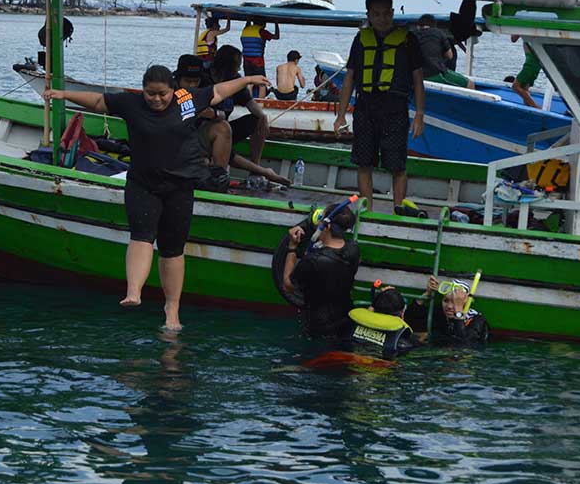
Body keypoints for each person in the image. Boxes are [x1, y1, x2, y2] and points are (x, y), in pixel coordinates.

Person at [44, 65, 271, 330]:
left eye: (162, 94)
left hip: (180, 186)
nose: (157, 99)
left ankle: (172, 310)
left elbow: (219, 91)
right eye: (151, 93)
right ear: (143, 90)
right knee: (141, 235)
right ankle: (134, 291)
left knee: (172, 250)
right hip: (144, 183)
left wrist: (248, 79)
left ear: (172, 90)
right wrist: (62, 93)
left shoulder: (186, 100)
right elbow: (97, 101)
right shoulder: (132, 103)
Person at [333, 0, 425, 213]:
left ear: (393, 13)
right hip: (365, 108)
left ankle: (398, 210)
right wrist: (340, 115)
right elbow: (349, 78)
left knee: (397, 164)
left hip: (395, 108)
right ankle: (368, 211)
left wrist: (420, 114)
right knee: (364, 162)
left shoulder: (407, 40)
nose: (382, 19)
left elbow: (418, 79)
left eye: (386, 14)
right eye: (376, 14)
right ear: (369, 15)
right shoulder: (361, 40)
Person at [173, 54, 289, 192]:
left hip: (206, 136)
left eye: (195, 81)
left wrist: (213, 114)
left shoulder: (210, 88)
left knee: (224, 127)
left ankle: (220, 179)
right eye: (187, 81)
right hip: (180, 143)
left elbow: (221, 108)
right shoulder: (170, 93)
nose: (192, 86)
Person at [282, 204, 360, 341]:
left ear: (327, 227)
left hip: (319, 328)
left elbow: (288, 285)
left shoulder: (313, 261)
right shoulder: (354, 250)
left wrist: (292, 248)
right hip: (345, 322)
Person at [210, 45, 271, 172]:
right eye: (237, 65)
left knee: (257, 119)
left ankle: (255, 167)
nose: (239, 68)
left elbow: (249, 102)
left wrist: (263, 116)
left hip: (226, 130)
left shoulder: (236, 79)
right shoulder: (207, 77)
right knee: (221, 127)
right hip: (206, 130)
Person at [407, 275, 489, 346]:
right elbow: (410, 320)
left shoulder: (477, 319)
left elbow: (464, 344)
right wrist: (426, 294)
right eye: (446, 301)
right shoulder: (440, 312)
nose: (449, 306)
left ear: (465, 302)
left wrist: (458, 309)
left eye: (454, 302)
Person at [415, 14, 474, 90]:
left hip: (414, 75)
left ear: (418, 26)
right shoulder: (439, 33)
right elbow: (450, 56)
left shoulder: (412, 35)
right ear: (434, 25)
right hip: (434, 73)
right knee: (470, 84)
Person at [240, 19, 280, 97]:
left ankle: (249, 100)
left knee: (249, 83)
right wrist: (276, 23)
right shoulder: (262, 31)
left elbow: (247, 25)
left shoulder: (245, 30)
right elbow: (276, 36)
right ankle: (261, 101)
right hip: (257, 61)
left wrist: (248, 19)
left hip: (246, 61)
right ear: (263, 24)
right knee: (262, 83)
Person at [510, 35, 541, 108]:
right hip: (533, 59)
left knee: (516, 86)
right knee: (524, 87)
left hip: (532, 61)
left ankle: (536, 107)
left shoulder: (522, 26)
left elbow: (513, 39)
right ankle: (529, 106)